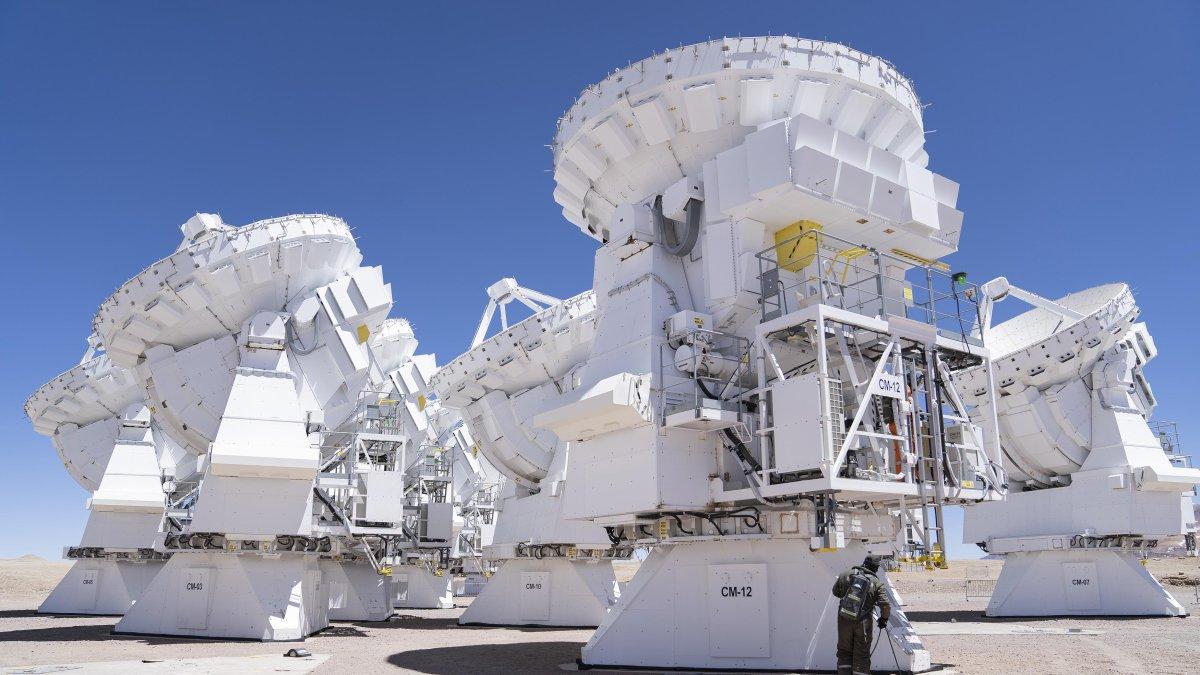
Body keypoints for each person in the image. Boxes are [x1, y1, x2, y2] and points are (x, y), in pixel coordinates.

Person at [831, 555, 892, 675]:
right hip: (863, 622)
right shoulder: (876, 583)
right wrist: (883, 620)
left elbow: (836, 592)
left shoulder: (845, 575)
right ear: (875, 567)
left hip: (844, 619)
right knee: (862, 653)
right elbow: (885, 605)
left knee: (844, 651)